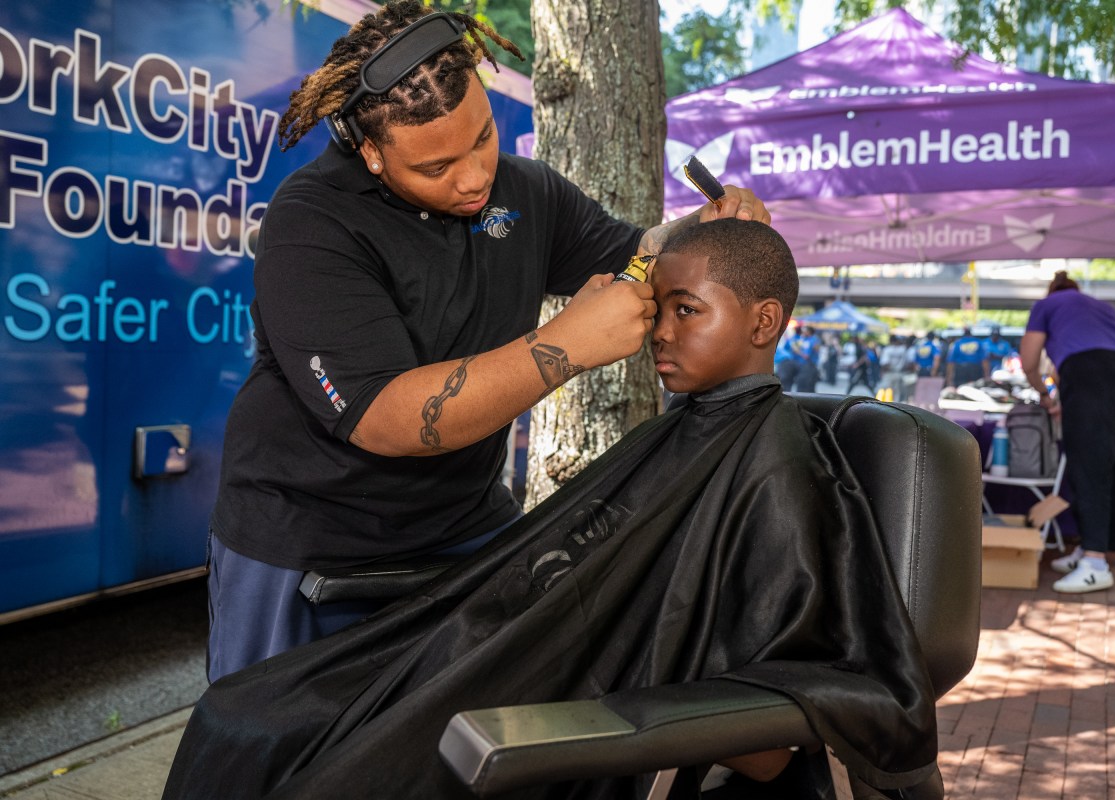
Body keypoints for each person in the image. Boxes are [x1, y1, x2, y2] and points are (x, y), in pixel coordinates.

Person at [163, 219, 938, 799]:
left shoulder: (775, 465)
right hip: (502, 653)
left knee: (301, 757)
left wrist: (590, 680)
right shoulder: (696, 431)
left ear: (763, 323)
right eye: (656, 310)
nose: (657, 334)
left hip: (541, 695)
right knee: (244, 711)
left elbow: (765, 733)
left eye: (687, 311)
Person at [205, 1, 772, 683]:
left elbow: (636, 259)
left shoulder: (524, 193)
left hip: (464, 525)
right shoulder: (312, 223)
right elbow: (387, 417)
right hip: (311, 543)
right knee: (282, 763)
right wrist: (564, 346)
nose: (474, 177)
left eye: (482, 139)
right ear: (371, 151)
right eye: (437, 166)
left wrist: (701, 234)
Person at [1020, 271, 1115, 593]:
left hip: (1091, 378)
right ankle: (1096, 548)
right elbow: (1104, 351)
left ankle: (1095, 563)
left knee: (1088, 469)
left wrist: (1045, 394)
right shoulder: (1103, 307)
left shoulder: (1046, 304)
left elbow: (1029, 361)